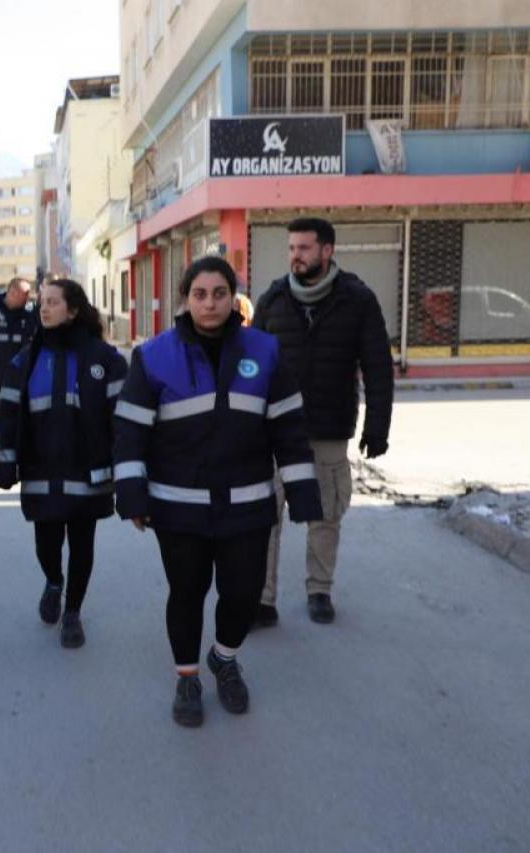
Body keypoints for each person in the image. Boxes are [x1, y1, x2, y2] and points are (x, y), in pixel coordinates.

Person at [113, 256, 322, 727]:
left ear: (234, 298)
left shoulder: (265, 352)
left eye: (219, 293)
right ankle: (186, 676)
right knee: (187, 592)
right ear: (186, 300)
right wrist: (132, 495)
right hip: (177, 506)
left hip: (246, 504)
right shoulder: (154, 356)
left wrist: (303, 493)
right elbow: (130, 432)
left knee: (243, 595)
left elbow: (289, 426)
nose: (210, 303)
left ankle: (224, 658)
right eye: (200, 294)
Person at [252, 218, 394, 626]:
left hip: (330, 429)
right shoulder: (273, 299)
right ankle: (262, 599)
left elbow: (377, 366)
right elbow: (249, 365)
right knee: (265, 516)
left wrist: (377, 427)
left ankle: (319, 590)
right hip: (275, 430)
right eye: (292, 248)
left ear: (327, 250)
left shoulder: (357, 299)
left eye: (304, 248)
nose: (295, 255)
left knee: (325, 515)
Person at [0, 279, 126, 649]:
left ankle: (72, 613)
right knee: (46, 544)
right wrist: (7, 463)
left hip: (88, 470)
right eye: (41, 303)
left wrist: (126, 466)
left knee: (82, 544)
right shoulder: (25, 359)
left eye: (53, 302)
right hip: (40, 470)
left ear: (73, 309)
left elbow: (123, 418)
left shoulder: (105, 358)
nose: (44, 308)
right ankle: (54, 581)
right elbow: (8, 415)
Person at [0, 276, 37, 383]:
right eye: (25, 294)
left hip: (19, 376)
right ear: (12, 293)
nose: (28, 298)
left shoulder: (30, 314)